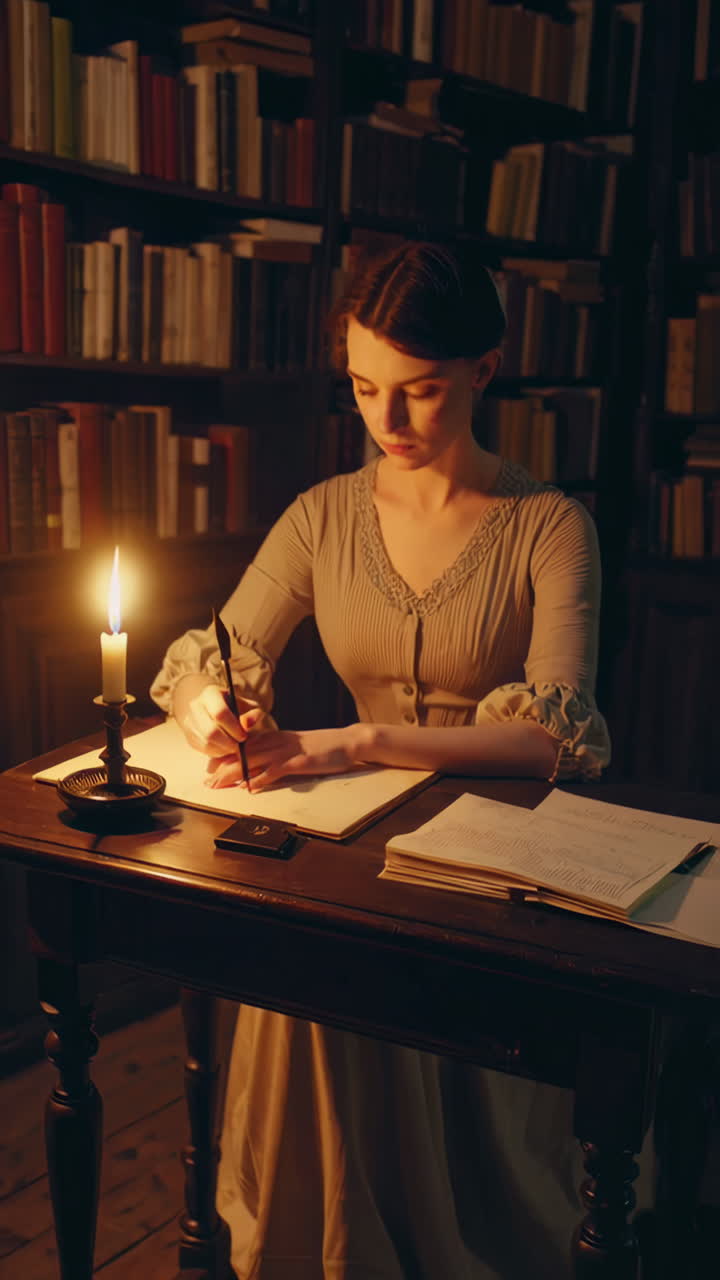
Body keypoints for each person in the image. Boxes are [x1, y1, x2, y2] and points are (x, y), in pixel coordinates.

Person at [150, 241, 644, 1279]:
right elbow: (208, 653)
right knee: (307, 964)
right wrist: (217, 711)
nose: (391, 422)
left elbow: (555, 738)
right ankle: (321, 1243)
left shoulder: (550, 526)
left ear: (485, 368)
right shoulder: (322, 514)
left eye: (419, 390)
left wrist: (359, 738)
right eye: (367, 389)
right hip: (348, 840)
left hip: (500, 855)